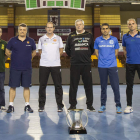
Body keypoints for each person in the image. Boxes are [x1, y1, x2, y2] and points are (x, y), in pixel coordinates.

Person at [65, 19, 95, 111]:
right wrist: (74, 56)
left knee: (88, 86)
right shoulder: (71, 36)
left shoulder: (89, 35)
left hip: (86, 64)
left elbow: (92, 49)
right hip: (75, 64)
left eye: (80, 24)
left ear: (83, 26)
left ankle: (89, 105)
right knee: (73, 86)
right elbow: (67, 50)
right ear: (75, 26)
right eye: (77, 25)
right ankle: (72, 105)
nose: (79, 26)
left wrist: (85, 56)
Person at [5, 23, 36, 113]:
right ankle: (11, 105)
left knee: (26, 87)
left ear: (26, 31)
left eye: (24, 29)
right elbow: (7, 51)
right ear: (18, 30)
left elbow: (34, 52)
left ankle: (27, 105)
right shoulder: (12, 40)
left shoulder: (31, 41)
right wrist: (14, 57)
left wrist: (27, 58)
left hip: (27, 68)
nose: (22, 31)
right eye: (20, 29)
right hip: (15, 68)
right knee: (12, 87)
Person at [94, 23, 122, 114]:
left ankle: (118, 105)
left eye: (106, 28)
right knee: (103, 87)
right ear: (101, 30)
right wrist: (102, 59)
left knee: (115, 87)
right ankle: (103, 105)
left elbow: (116, 51)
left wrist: (110, 59)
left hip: (112, 66)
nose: (105, 30)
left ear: (109, 29)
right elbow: (96, 52)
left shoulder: (114, 39)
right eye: (103, 29)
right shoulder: (98, 40)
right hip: (102, 66)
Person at [38, 22, 64, 112]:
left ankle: (59, 105)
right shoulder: (41, 39)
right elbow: (40, 51)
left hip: (56, 65)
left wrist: (55, 57)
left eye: (51, 27)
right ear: (45, 28)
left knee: (58, 86)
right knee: (42, 86)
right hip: (44, 65)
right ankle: (41, 105)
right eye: (48, 27)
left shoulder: (58, 38)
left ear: (54, 28)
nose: (49, 29)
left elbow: (61, 50)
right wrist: (46, 58)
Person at [122, 18, 140, 114]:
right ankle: (129, 106)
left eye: (133, 23)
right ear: (127, 26)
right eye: (129, 24)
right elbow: (124, 49)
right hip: (130, 64)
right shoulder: (125, 36)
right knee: (129, 85)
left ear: (136, 25)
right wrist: (128, 58)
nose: (131, 25)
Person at [0, 27, 7, 111]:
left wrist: (2, 61)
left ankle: (2, 104)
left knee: (1, 88)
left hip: (1, 69)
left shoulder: (4, 43)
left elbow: (6, 55)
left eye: (0, 32)